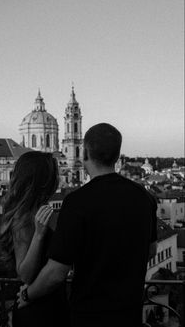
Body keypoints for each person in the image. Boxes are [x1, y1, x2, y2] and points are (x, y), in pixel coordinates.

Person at [17, 123, 157, 327]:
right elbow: (151, 251)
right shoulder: (145, 197)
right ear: (117, 156)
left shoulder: (76, 202)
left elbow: (56, 273)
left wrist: (28, 295)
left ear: (85, 153)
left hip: (90, 315)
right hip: (130, 313)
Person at [0, 151, 70, 327]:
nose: (59, 179)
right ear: (44, 181)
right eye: (55, 174)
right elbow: (24, 273)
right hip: (37, 308)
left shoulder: (39, 210)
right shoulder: (24, 217)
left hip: (48, 301)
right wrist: (39, 234)